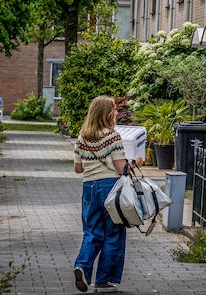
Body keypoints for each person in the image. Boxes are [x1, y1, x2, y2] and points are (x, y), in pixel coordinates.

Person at [73, 96, 127, 293]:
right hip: (110, 187)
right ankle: (103, 281)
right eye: (114, 110)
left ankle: (82, 266)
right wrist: (137, 162)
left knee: (92, 231)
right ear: (107, 113)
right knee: (113, 233)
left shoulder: (82, 137)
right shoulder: (113, 137)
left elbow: (78, 168)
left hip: (89, 188)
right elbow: (122, 168)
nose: (117, 113)